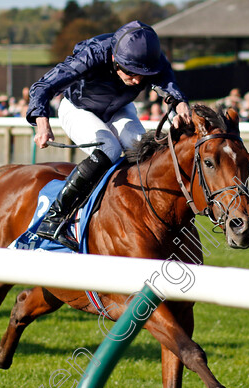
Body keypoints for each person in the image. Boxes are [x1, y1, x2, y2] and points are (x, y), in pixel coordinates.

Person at [26, 20, 191, 250]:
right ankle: (55, 217)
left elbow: (168, 85)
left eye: (143, 76)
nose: (137, 81)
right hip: (78, 108)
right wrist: (41, 121)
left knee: (143, 151)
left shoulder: (151, 58)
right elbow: (42, 86)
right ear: (115, 59)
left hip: (118, 108)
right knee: (109, 148)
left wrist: (179, 104)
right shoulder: (93, 54)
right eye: (132, 74)